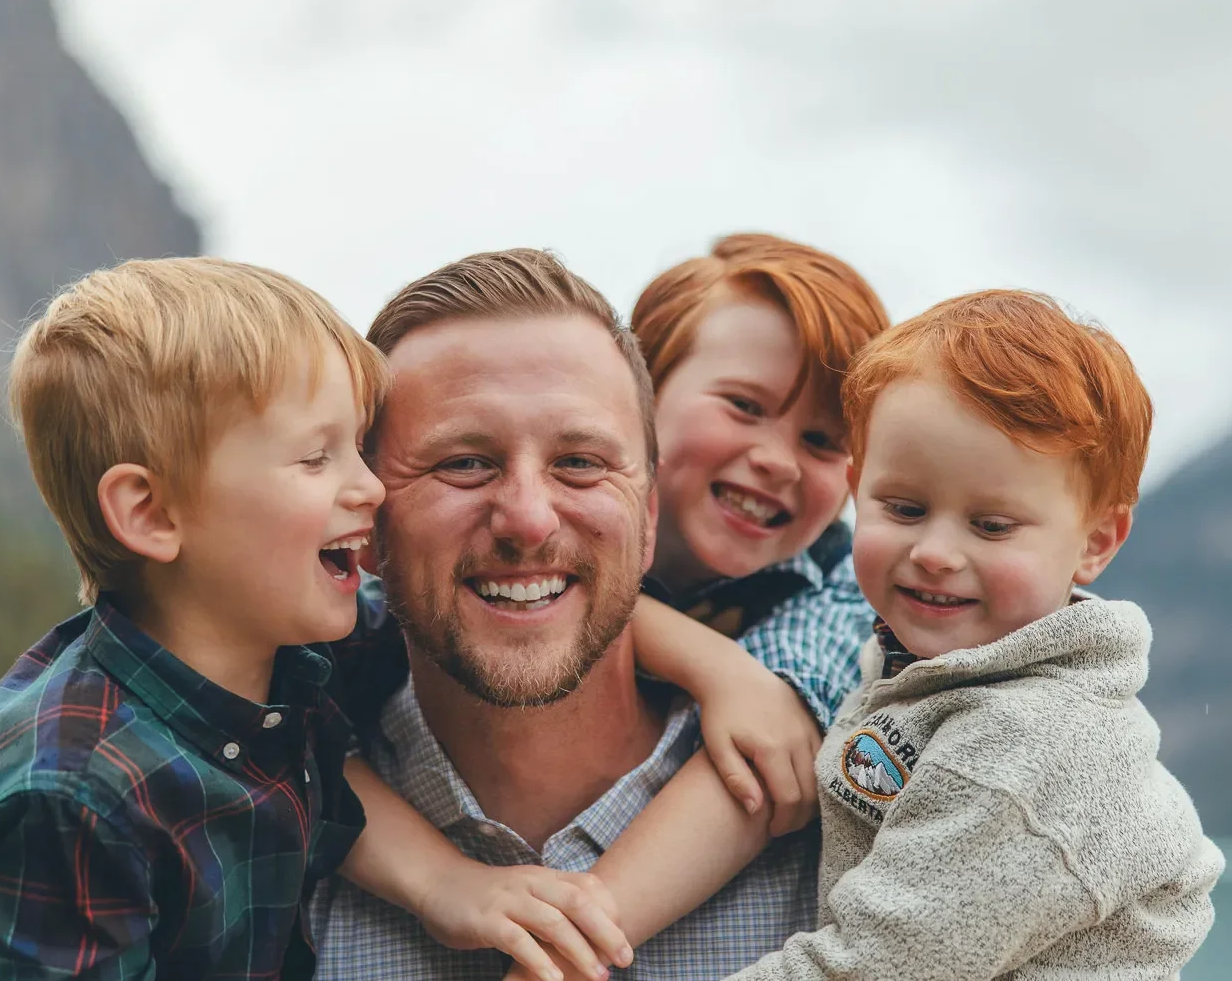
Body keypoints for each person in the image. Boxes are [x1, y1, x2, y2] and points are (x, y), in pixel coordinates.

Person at [0, 258, 629, 980]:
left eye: (359, 448)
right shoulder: (75, 799)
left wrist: (720, 672)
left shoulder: (276, 656)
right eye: (317, 457)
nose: (372, 488)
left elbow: (531, 604)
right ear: (151, 513)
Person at [315, 242, 886, 980]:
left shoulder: (855, 826)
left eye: (580, 462)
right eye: (464, 461)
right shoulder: (263, 826)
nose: (528, 519)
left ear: (644, 511)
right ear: (365, 522)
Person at [727, 290, 1224, 979]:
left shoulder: (1026, 748)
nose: (935, 552)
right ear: (857, 488)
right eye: (904, 508)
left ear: (1095, 541)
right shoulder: (924, 667)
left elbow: (873, 969)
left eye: (991, 526)